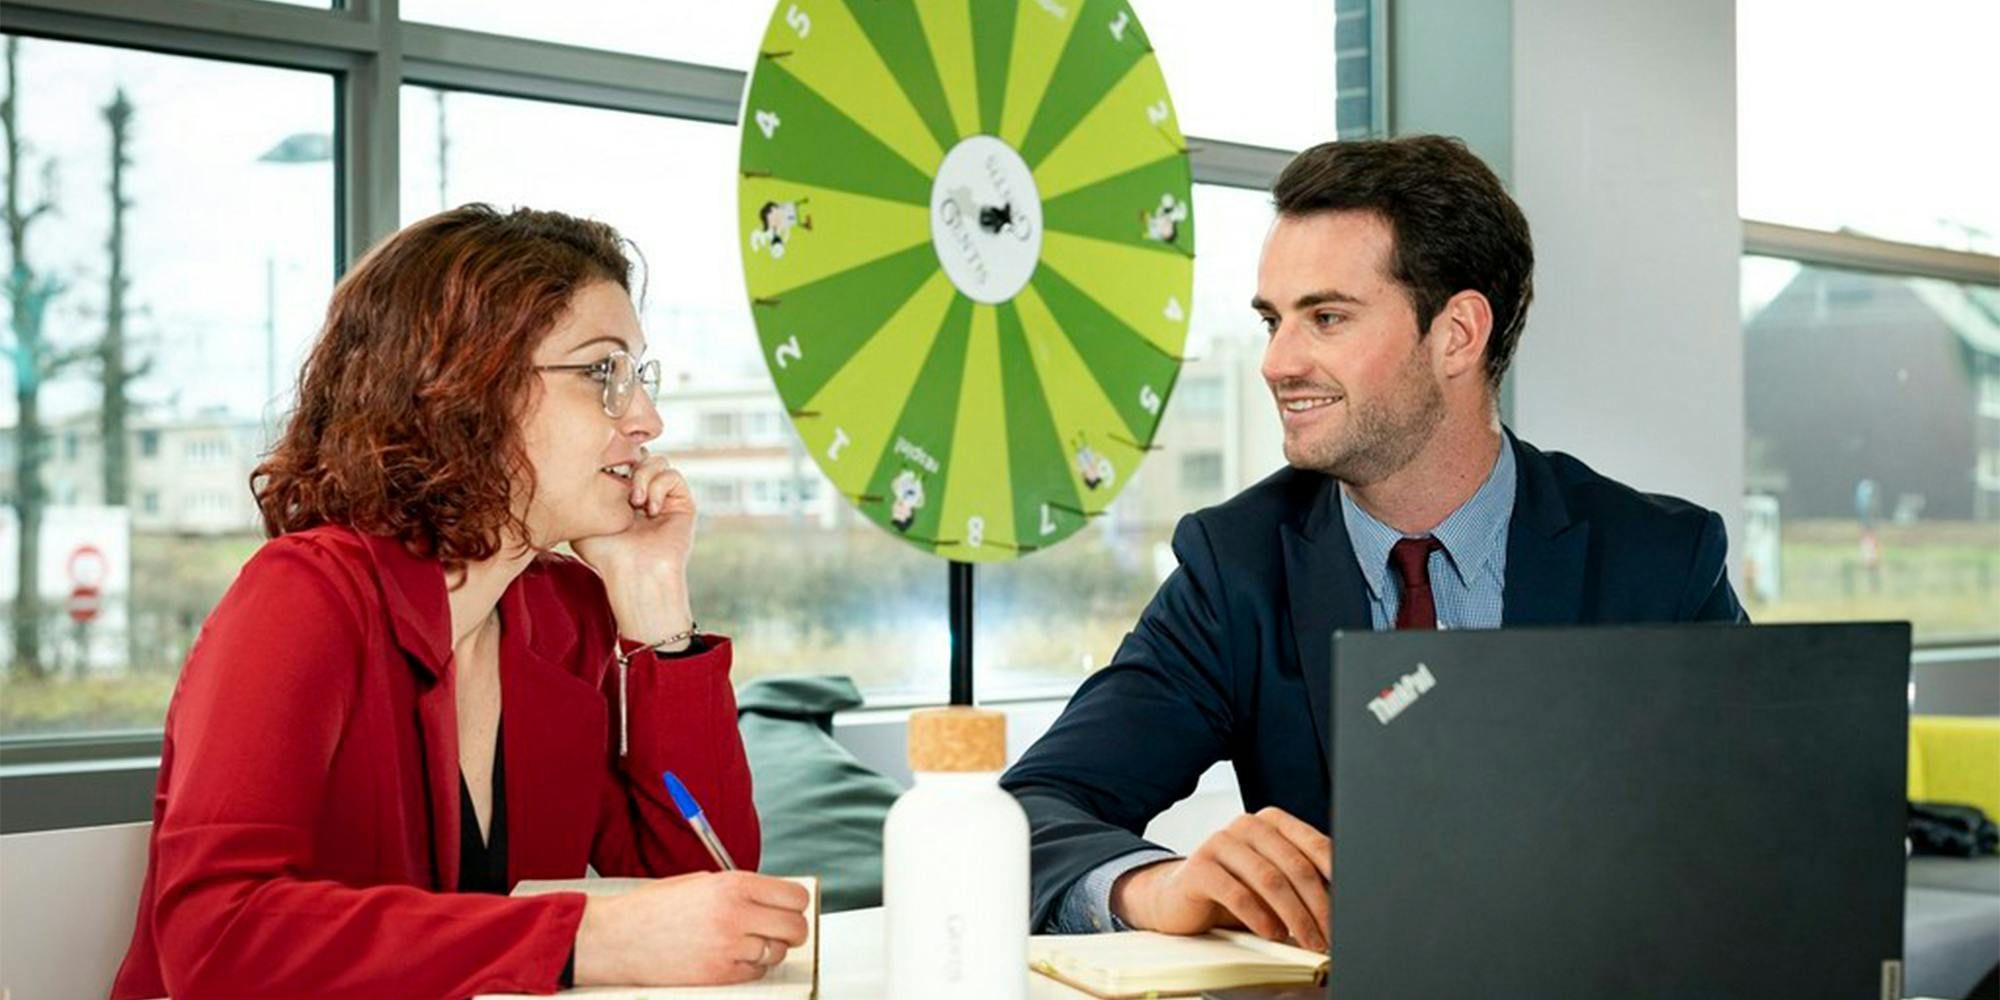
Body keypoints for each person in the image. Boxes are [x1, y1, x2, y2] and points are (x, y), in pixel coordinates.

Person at [999, 136, 1747, 950]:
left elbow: (1769, 837)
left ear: (1457, 334)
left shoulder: (1660, 562)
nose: (1277, 362)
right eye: (1272, 321)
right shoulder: (1235, 567)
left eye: (1326, 318)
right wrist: (1155, 885)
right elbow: (1026, 816)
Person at [111, 205, 811, 998]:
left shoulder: (563, 619)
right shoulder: (304, 597)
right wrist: (581, 937)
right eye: (602, 374)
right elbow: (217, 938)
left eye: (638, 377)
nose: (647, 420)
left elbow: (703, 888)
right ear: (466, 386)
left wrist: (657, 606)